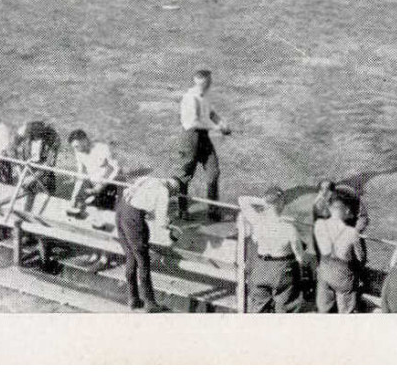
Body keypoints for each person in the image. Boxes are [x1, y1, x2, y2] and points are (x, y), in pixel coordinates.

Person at [115, 174, 177, 312]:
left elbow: (133, 192)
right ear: (172, 188)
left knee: (131, 256)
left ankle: (133, 299)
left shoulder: (150, 178)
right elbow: (161, 222)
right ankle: (150, 303)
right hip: (133, 218)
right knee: (143, 261)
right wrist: (169, 227)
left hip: (121, 209)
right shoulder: (164, 191)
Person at [176, 69, 231, 222]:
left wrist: (222, 122)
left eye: (208, 82)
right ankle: (182, 209)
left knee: (213, 172)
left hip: (204, 138)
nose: (207, 84)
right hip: (190, 139)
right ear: (198, 82)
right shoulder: (189, 98)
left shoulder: (205, 96)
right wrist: (216, 128)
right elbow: (193, 122)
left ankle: (212, 210)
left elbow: (211, 113)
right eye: (205, 82)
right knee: (185, 175)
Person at [240, 188, 306, 313]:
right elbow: (299, 256)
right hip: (282, 269)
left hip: (260, 267)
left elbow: (242, 200)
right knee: (285, 308)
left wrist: (265, 201)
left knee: (259, 308)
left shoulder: (258, 221)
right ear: (281, 203)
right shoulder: (289, 228)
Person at [312, 196, 366, 314]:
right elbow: (360, 258)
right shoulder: (352, 233)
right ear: (346, 211)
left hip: (324, 270)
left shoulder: (319, 224)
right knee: (345, 313)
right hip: (343, 275)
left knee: (324, 310)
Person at [65, 130, 121, 217]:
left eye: (77, 146)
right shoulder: (78, 152)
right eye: (74, 147)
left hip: (109, 183)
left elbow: (115, 169)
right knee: (77, 201)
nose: (75, 150)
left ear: (84, 140)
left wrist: (102, 185)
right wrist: (74, 196)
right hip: (93, 181)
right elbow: (81, 174)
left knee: (102, 206)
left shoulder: (102, 148)